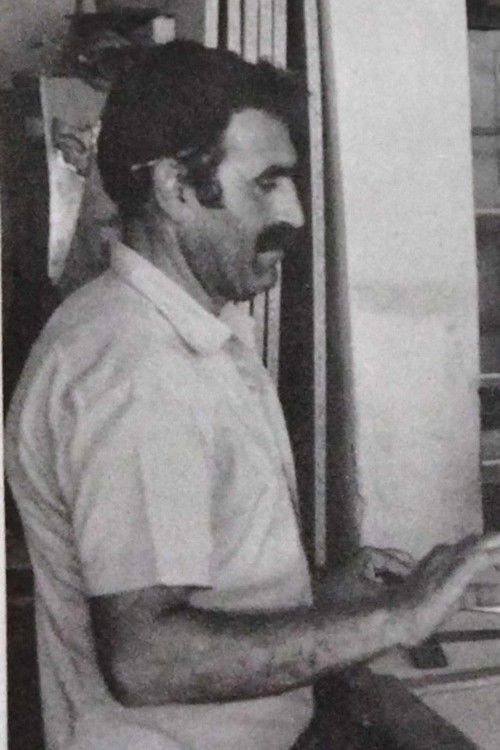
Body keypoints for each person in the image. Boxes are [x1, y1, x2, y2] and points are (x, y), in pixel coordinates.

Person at [5, 40, 500, 750]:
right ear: (176, 188)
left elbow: (188, 587)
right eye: (266, 184)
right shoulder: (137, 369)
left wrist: (317, 598)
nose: (294, 213)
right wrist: (398, 620)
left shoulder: (178, 330)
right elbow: (148, 658)